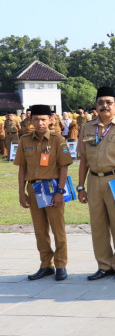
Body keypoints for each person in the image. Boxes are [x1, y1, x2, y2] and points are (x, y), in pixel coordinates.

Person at [77, 87, 115, 281]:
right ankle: (104, 265)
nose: (105, 106)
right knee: (98, 225)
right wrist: (81, 186)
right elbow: (84, 160)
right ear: (96, 105)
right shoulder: (87, 127)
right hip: (94, 179)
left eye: (109, 102)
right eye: (101, 102)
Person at [14, 104, 73, 281]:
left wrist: (60, 191)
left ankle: (61, 264)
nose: (40, 123)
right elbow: (22, 168)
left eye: (43, 119)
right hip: (33, 189)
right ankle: (46, 264)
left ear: (50, 120)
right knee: (40, 230)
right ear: (30, 120)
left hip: (52, 189)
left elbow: (64, 167)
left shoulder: (57, 140)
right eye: (36, 119)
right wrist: (21, 192)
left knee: (58, 229)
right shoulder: (25, 140)